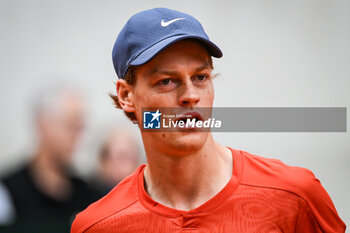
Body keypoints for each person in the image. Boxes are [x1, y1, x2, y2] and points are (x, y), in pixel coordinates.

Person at [71, 8, 346, 233]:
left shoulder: (295, 197)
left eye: (201, 77)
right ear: (126, 95)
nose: (190, 96)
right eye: (167, 81)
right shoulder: (98, 225)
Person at [0, 86, 99, 233]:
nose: (77, 138)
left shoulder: (87, 194)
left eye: (80, 128)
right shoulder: (7, 193)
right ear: (43, 124)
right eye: (70, 126)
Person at [92, 127, 140, 196]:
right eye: (123, 157)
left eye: (133, 158)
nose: (130, 166)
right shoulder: (90, 197)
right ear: (104, 162)